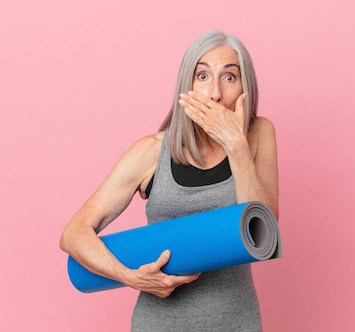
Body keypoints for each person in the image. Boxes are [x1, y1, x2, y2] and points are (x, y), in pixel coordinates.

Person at [59, 30, 279, 331]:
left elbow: (264, 231)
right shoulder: (149, 151)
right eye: (202, 76)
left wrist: (236, 146)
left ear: (246, 88)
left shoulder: (258, 135)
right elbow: (73, 235)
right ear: (186, 85)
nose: (215, 93)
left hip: (236, 322)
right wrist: (128, 276)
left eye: (229, 78)